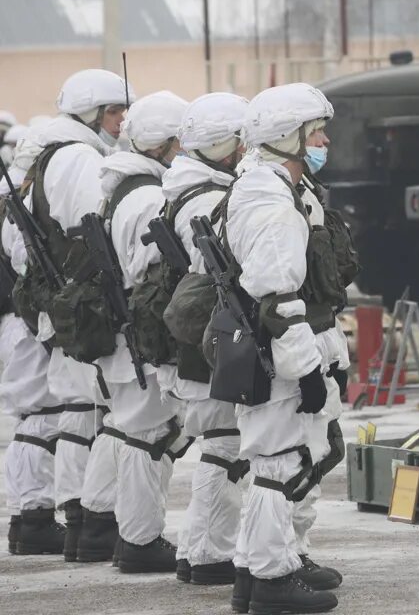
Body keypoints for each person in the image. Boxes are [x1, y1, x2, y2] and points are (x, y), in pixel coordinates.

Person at [222, 83, 350, 614]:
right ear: (286, 137)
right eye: (314, 131)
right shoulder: (271, 203)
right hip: (280, 357)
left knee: (281, 460)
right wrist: (308, 372)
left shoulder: (278, 189)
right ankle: (272, 581)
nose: (322, 141)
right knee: (281, 463)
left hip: (282, 351)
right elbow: (280, 299)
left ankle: (257, 571)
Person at [10, 70, 130, 562]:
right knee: (83, 410)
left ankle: (76, 519)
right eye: (115, 112)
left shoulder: (50, 157)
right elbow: (96, 227)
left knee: (76, 408)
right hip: (81, 306)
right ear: (92, 114)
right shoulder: (76, 157)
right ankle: (82, 518)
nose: (123, 122)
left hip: (67, 304)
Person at [95, 90, 192, 573]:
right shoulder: (149, 195)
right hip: (140, 333)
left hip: (123, 330)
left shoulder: (121, 187)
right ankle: (139, 540)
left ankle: (129, 535)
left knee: (143, 430)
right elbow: (153, 272)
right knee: (150, 434)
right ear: (167, 144)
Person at [159, 92, 250, 586]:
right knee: (225, 448)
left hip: (195, 343)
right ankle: (212, 554)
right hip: (210, 344)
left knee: (220, 446)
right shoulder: (212, 198)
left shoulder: (182, 189)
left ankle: (197, 551)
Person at [1, 150, 64, 555]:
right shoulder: (13, 211)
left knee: (38, 416)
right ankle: (34, 515)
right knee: (40, 415)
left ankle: (30, 518)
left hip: (16, 322)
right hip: (17, 324)